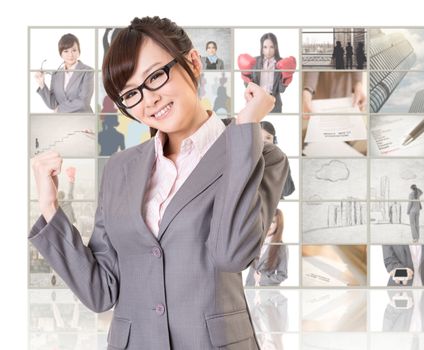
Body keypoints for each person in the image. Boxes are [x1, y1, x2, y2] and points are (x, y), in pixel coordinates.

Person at [29, 16, 289, 350]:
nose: (148, 100)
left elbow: (231, 254)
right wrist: (50, 208)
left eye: (155, 76)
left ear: (192, 62)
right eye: (131, 94)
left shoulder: (259, 156)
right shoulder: (120, 168)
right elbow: (100, 291)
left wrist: (246, 125)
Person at [34, 33, 94, 113]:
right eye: (66, 51)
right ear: (61, 54)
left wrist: (59, 109)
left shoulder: (87, 71)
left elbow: (83, 102)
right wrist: (42, 84)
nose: (70, 55)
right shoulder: (56, 74)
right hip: (63, 121)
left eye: (74, 50)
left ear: (79, 52)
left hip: (82, 120)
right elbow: (53, 104)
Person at [238, 32, 296, 113]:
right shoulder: (254, 61)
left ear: (276, 47)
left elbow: (281, 90)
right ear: (261, 48)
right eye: (265, 47)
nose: (268, 51)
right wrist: (245, 75)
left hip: (274, 104)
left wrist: (286, 77)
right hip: (256, 102)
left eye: (271, 47)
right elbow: (248, 87)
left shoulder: (282, 63)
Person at [245, 208, 288, 286]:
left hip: (267, 291)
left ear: (278, 224)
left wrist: (263, 279)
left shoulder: (281, 247)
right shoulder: (255, 241)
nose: (268, 225)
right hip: (249, 287)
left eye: (273, 222)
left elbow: (282, 275)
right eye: (267, 221)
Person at [259, 121, 295, 198]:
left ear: (274, 140)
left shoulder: (281, 158)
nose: (264, 141)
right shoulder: (248, 159)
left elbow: (287, 191)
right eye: (259, 137)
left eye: (268, 138)